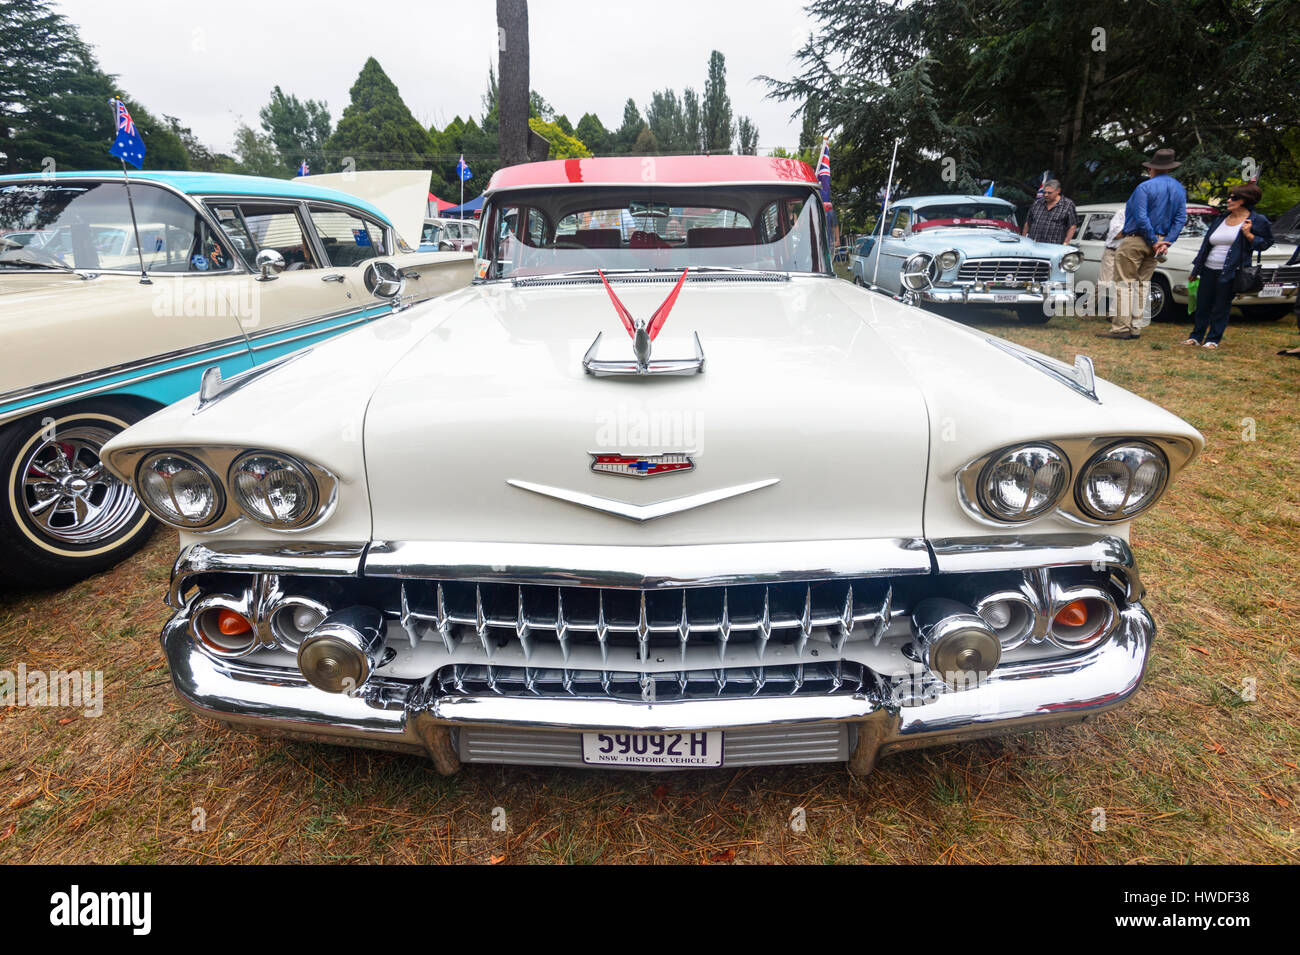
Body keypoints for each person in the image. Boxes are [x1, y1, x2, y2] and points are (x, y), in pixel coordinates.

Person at [1102, 148, 1187, 340]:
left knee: (1125, 283)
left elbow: (1141, 217)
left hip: (1137, 239)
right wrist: (1166, 241)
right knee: (1143, 285)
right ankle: (1136, 327)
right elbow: (1181, 218)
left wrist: (1152, 239)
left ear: (1151, 169)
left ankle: (1121, 328)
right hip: (1160, 240)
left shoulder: (1144, 188)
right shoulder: (1179, 189)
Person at [1184, 183, 1273, 349]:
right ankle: (1195, 336)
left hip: (1232, 271)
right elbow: (1206, 245)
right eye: (1229, 196)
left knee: (1221, 306)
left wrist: (1249, 234)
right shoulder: (1221, 218)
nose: (1229, 199)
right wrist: (1196, 269)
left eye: (1234, 197)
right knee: (1202, 304)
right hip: (1209, 268)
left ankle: (1213, 339)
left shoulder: (1256, 220)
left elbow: (1266, 243)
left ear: (1245, 200)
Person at [1022, 179, 1078, 245]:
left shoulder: (1068, 205)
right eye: (1044, 192)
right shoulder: (1037, 204)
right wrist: (1023, 240)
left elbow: (1072, 226)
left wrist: (1065, 243)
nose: (1046, 195)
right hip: (1033, 244)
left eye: (1049, 193)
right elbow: (1028, 223)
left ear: (1058, 191)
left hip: (1054, 247)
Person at [1096, 206, 1126, 319]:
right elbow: (1116, 235)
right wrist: (1133, 228)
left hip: (1126, 254)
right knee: (1105, 282)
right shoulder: (1121, 213)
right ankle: (1089, 306)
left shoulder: (1143, 217)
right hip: (1111, 251)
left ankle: (1113, 313)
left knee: (1121, 284)